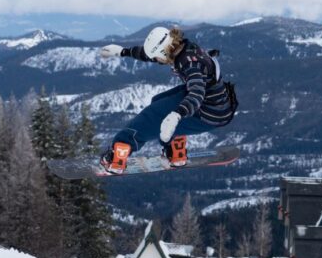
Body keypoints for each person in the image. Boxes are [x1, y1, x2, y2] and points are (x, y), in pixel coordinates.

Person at [97, 27, 238, 173]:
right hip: (216, 104)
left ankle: (117, 157)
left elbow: (197, 93)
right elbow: (149, 54)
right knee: (158, 100)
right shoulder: (182, 48)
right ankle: (175, 150)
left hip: (207, 113)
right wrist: (122, 52)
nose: (157, 60)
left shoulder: (189, 64)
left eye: (158, 57)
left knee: (148, 118)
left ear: (164, 52)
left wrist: (176, 115)